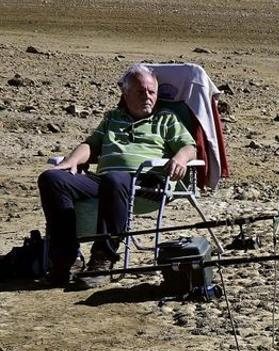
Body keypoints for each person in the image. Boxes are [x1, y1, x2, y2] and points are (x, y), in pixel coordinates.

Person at [37, 63, 196, 288]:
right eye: (141, 92)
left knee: (115, 179)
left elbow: (190, 147)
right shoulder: (113, 118)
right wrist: (71, 161)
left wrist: (180, 159)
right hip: (106, 181)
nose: (148, 97)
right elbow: (91, 145)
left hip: (147, 185)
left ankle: (103, 260)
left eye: (152, 92)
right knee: (52, 179)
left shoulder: (166, 119)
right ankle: (66, 260)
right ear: (126, 92)